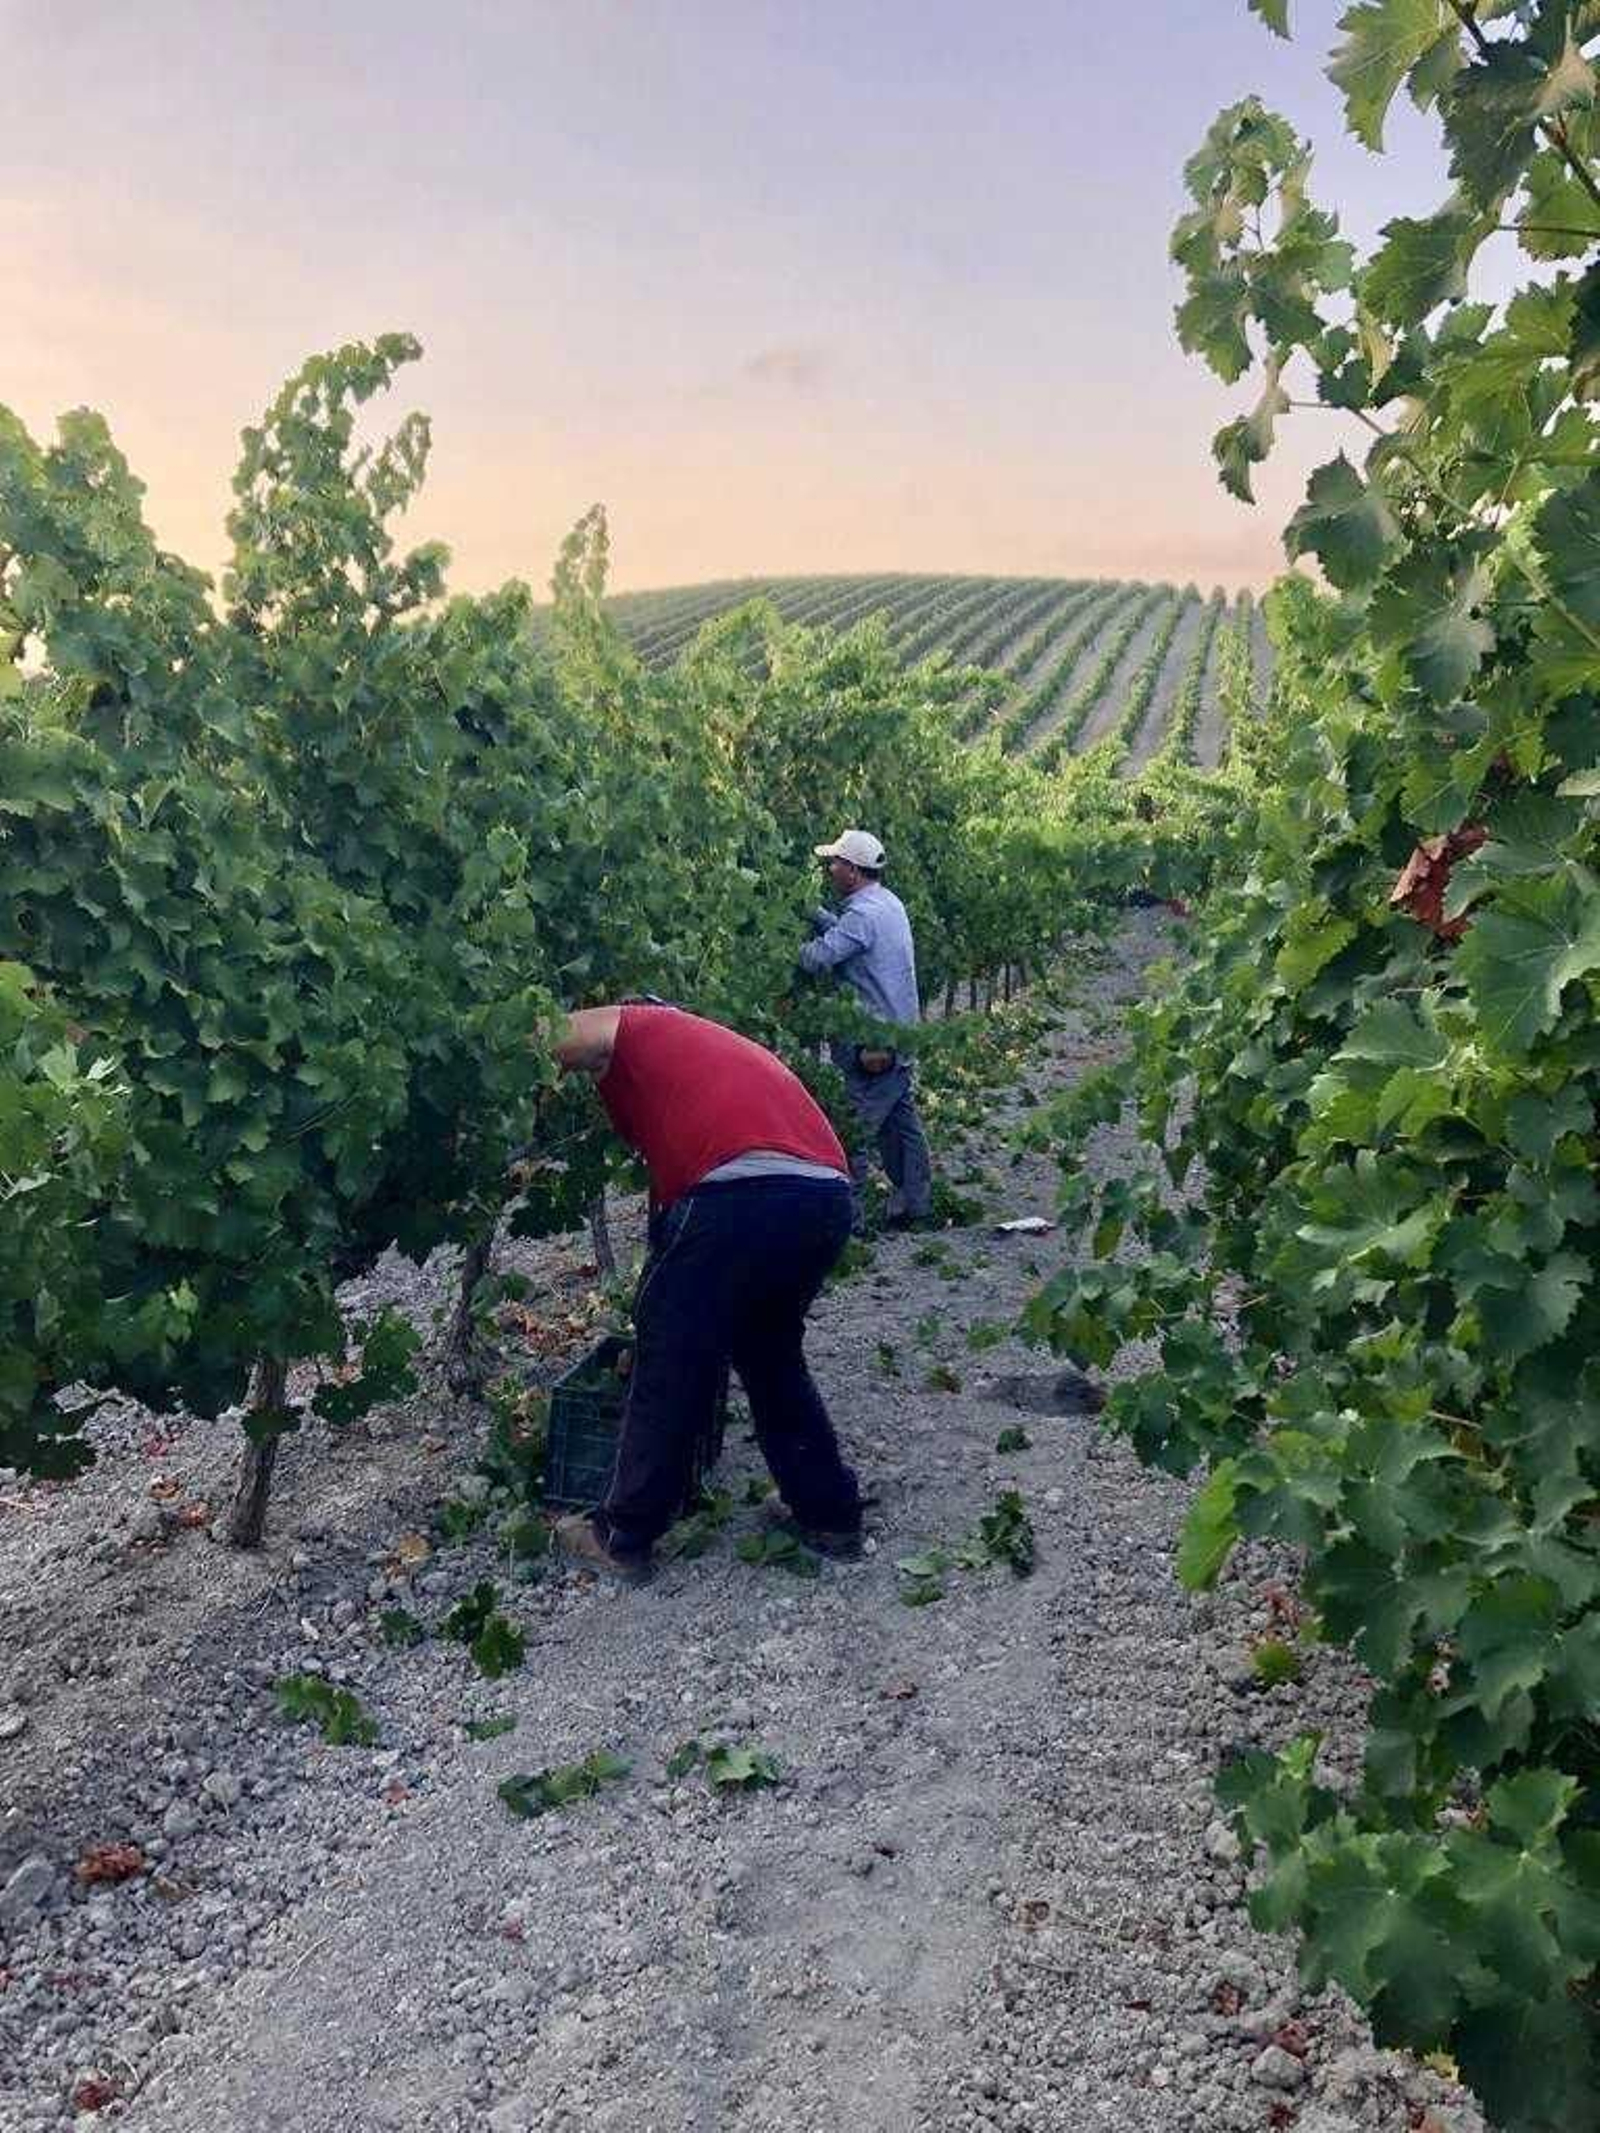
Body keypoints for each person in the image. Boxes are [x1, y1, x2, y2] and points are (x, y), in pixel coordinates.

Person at [548, 1000, 863, 1583]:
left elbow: (566, 1034)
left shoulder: (637, 1026)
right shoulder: (708, 1059)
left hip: (741, 1193)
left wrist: (510, 1066)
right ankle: (831, 1514)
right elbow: (672, 1212)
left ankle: (623, 1535)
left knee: (672, 1358)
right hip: (824, 1198)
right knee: (770, 1355)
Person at [798, 828, 934, 1231]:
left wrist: (785, 945)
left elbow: (817, 959)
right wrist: (814, 913)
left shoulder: (861, 916)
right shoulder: (886, 904)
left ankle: (849, 1222)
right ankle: (917, 1205)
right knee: (901, 1124)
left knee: (852, 1132)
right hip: (899, 1037)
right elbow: (848, 933)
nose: (830, 869)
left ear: (854, 872)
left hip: (873, 1046)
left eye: (836, 863)